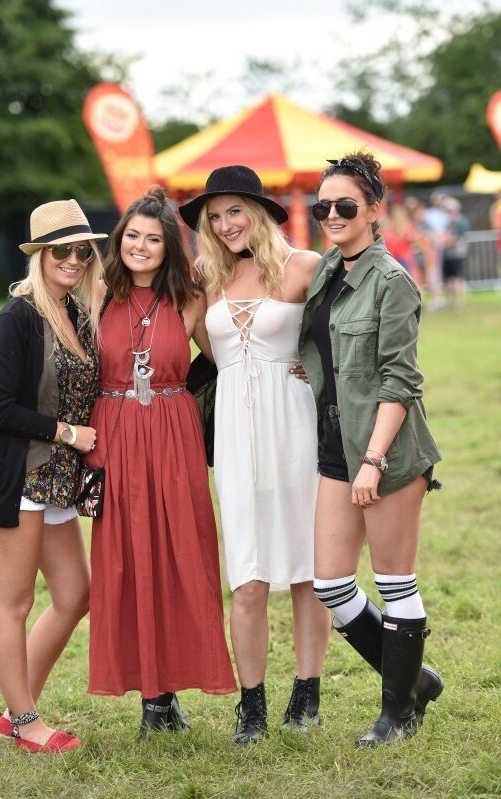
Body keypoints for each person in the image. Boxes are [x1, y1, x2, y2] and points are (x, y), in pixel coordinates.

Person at [179, 166, 331, 745]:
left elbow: (340, 338)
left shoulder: (306, 267)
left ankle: (307, 693)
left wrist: (311, 368)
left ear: (260, 212)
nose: (225, 225)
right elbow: (191, 347)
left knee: (307, 571)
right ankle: (252, 707)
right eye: (214, 217)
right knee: (247, 576)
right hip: (236, 439)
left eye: (234, 211)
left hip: (296, 430)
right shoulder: (204, 278)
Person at [297, 152, 444, 747]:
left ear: (374, 210)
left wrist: (374, 460)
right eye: (323, 207)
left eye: (345, 205)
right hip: (337, 440)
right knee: (330, 583)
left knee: (394, 580)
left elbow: (400, 380)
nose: (332, 215)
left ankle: (398, 714)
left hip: (388, 452)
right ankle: (415, 681)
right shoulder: (328, 269)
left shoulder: (392, 281)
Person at [86, 186, 236, 739]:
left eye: (153, 238)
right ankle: (152, 700)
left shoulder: (190, 296)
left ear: (169, 246)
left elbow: (228, 357)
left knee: (180, 555)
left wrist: (289, 369)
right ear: (119, 240)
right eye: (132, 236)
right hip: (114, 433)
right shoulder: (98, 293)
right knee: (128, 560)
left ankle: (170, 689)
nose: (141, 246)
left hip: (174, 434)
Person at [0, 199, 105, 753]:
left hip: (56, 483)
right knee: (14, 604)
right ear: (40, 255)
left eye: (82, 251)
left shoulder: (78, 312)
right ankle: (25, 723)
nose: (73, 260)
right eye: (61, 250)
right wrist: (69, 433)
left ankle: (14, 712)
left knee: (74, 595)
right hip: (16, 477)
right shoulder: (19, 315)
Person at [441, 196, 469, 307]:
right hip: (447, 253)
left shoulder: (460, 221)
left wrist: (445, 241)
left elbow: (457, 237)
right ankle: (451, 300)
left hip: (457, 253)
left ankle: (459, 300)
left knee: (457, 277)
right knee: (449, 277)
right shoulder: (447, 221)